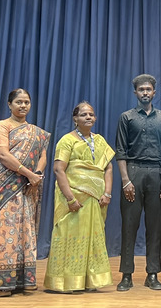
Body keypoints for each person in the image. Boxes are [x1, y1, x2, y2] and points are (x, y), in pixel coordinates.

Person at [0, 88, 50, 297]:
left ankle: (23, 280)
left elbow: (43, 156)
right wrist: (29, 174)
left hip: (28, 185)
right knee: (4, 229)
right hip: (4, 184)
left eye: (26, 102)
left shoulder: (37, 132)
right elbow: (3, 154)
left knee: (25, 229)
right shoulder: (3, 126)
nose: (23, 106)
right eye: (19, 102)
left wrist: (37, 175)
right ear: (9, 104)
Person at [44, 101, 114, 293]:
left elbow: (108, 168)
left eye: (91, 114)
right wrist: (70, 199)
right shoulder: (67, 140)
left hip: (96, 199)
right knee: (69, 237)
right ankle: (66, 282)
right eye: (83, 114)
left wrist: (107, 193)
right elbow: (59, 170)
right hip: (73, 199)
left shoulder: (100, 141)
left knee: (92, 239)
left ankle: (90, 281)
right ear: (75, 119)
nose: (88, 117)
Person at [115, 74, 161, 292]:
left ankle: (152, 274)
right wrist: (125, 180)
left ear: (154, 93)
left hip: (157, 172)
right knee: (129, 225)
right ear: (135, 93)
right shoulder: (126, 117)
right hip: (133, 171)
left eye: (148, 89)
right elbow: (120, 151)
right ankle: (126, 275)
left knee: (155, 226)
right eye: (141, 89)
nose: (145, 92)